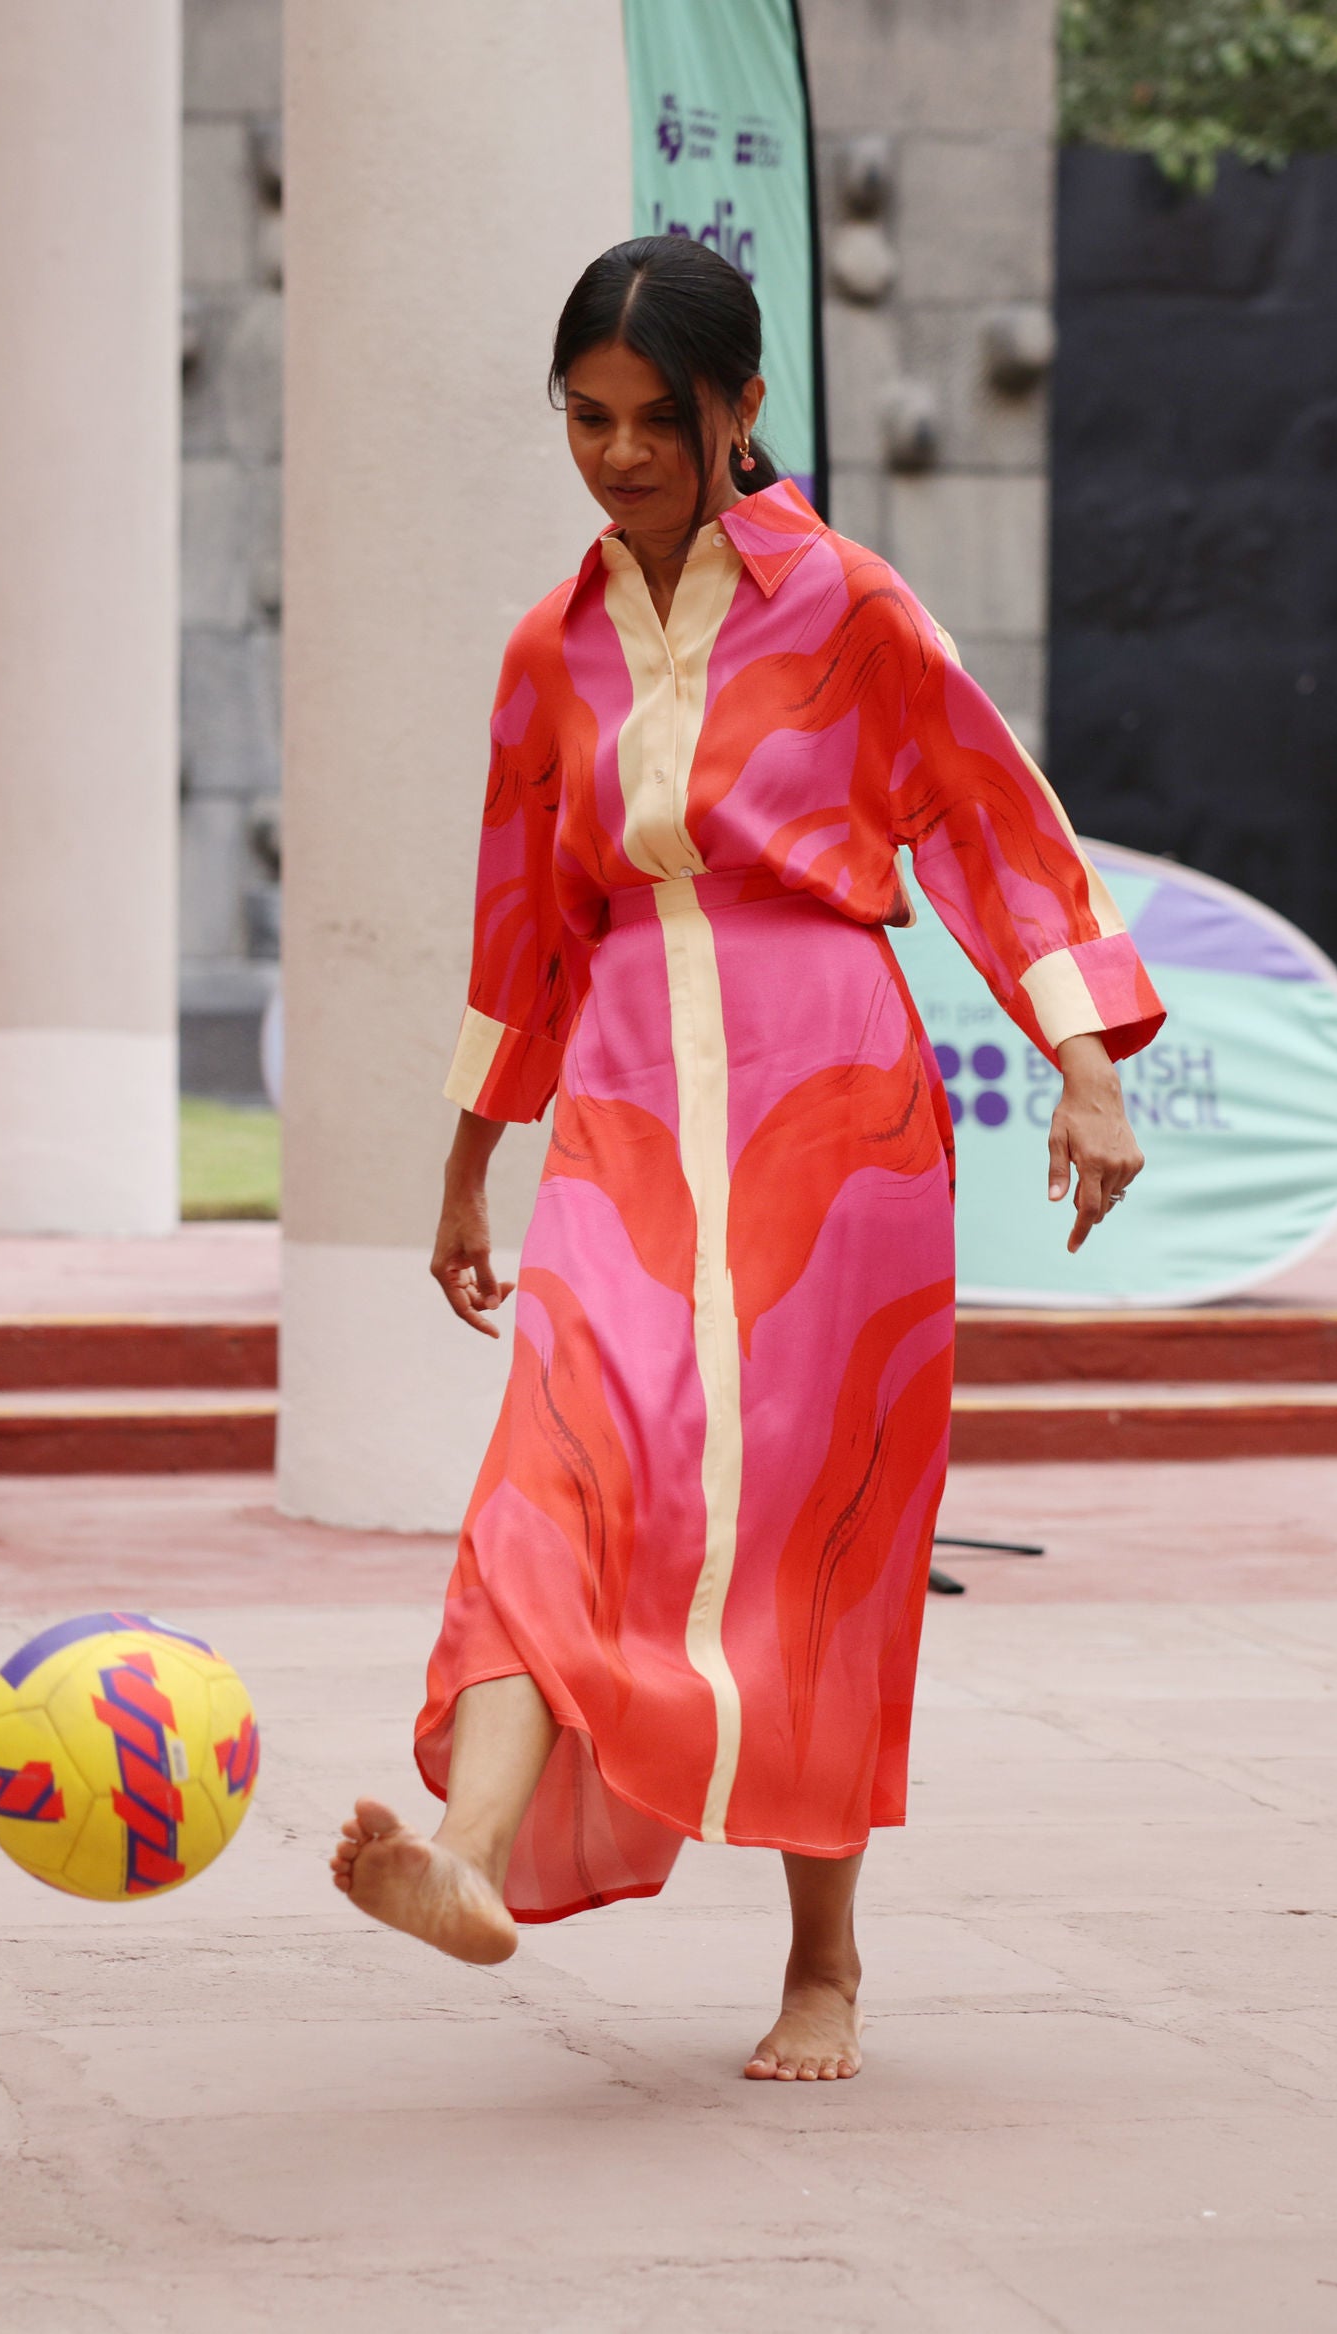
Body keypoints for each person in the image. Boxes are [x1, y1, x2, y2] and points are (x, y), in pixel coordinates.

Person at [329, 236, 1163, 2082]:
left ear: (746, 409)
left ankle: (826, 1964)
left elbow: (996, 827)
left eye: (657, 420)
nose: (620, 455)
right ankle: (462, 1864)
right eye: (587, 418)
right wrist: (470, 1161)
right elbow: (520, 924)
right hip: (625, 1105)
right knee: (550, 1474)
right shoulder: (546, 650)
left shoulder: (851, 603)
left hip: (831, 1121)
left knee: (814, 1535)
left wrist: (1087, 1069)